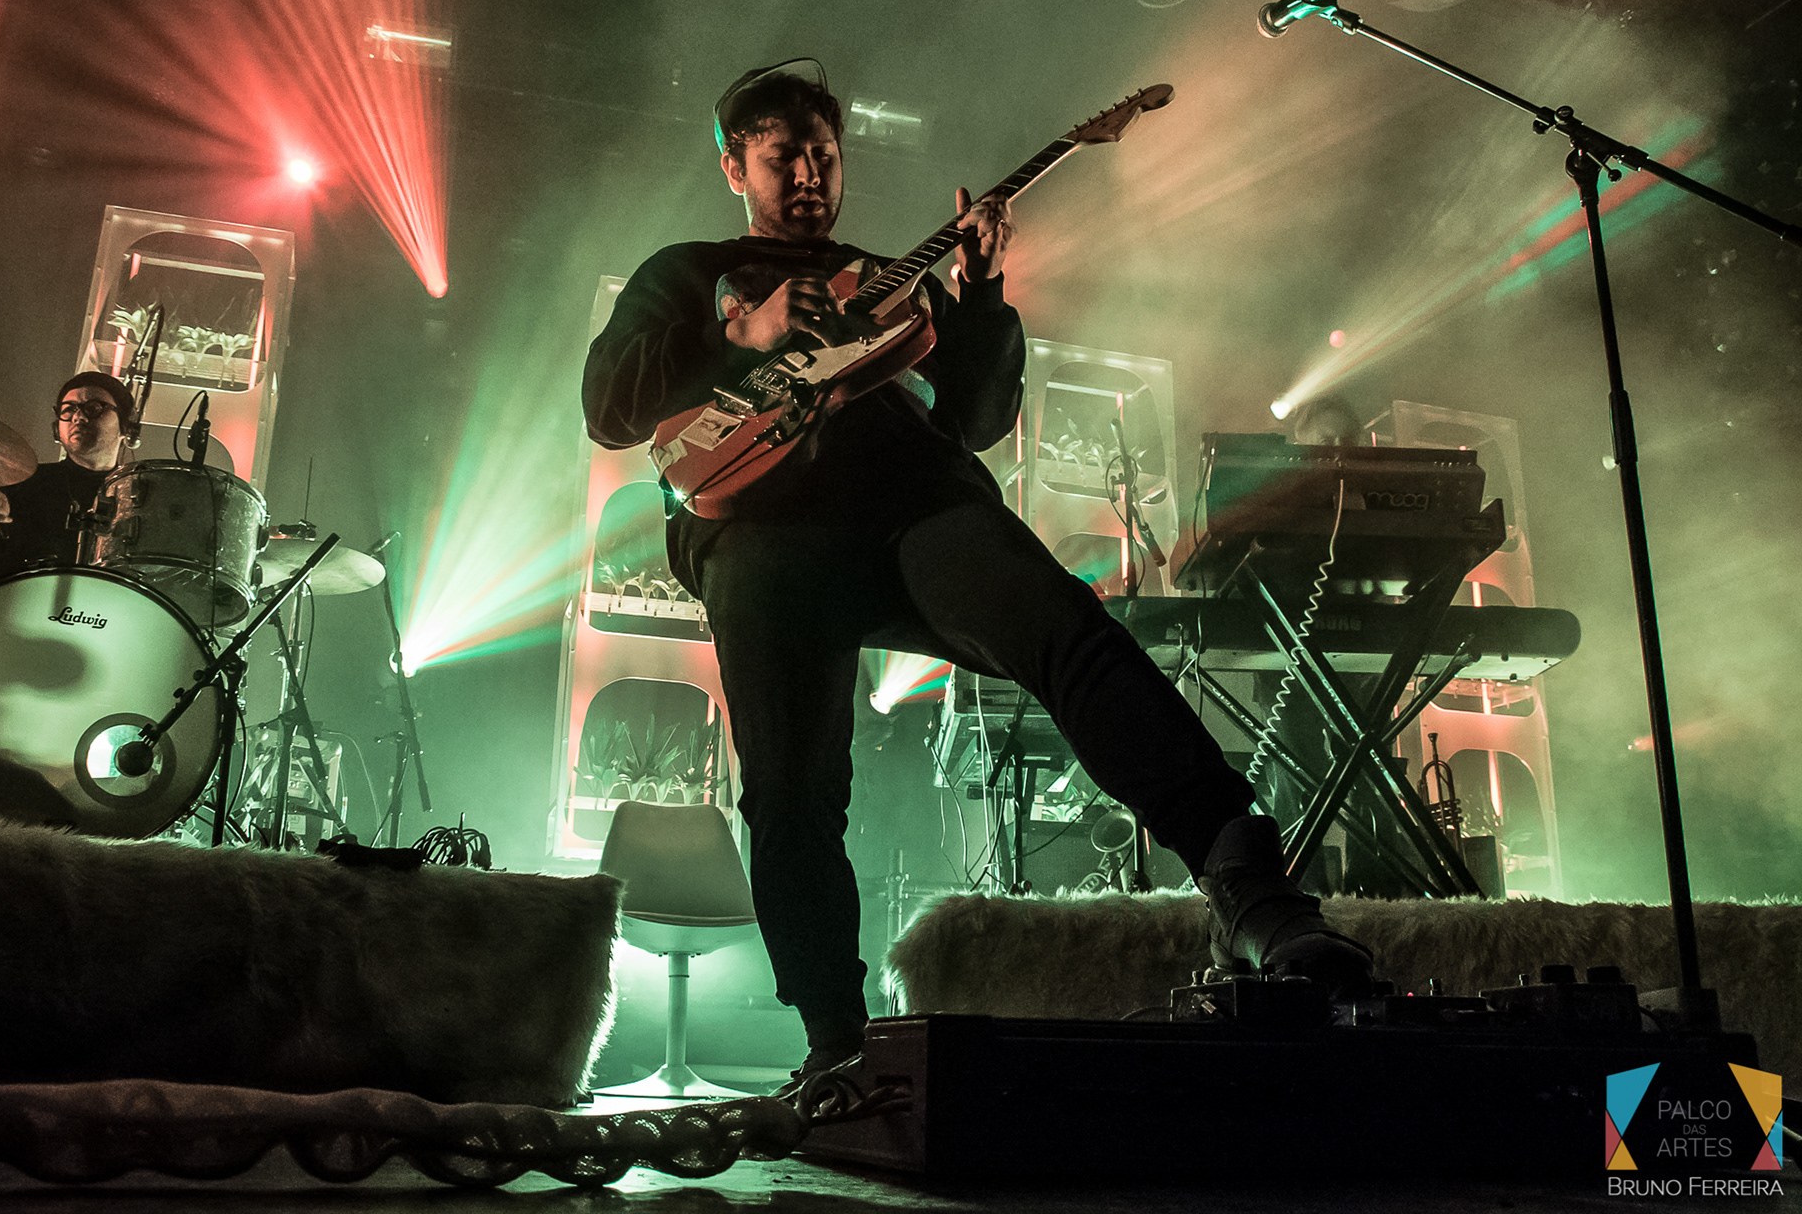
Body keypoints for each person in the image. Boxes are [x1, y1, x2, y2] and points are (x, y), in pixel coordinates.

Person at [583, 61, 1373, 1088]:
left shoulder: (887, 274)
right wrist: (743, 329)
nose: (811, 174)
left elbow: (978, 418)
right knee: (790, 786)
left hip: (914, 501)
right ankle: (836, 1043)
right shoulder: (690, 272)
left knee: (1066, 633)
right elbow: (608, 405)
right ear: (735, 165)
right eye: (784, 155)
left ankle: (1251, 886)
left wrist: (984, 292)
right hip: (763, 528)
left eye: (825, 154)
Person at [0, 372, 132, 579]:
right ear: (56, 429)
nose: (78, 417)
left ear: (126, 426)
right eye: (68, 409)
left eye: (94, 408)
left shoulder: (136, 495)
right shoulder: (22, 483)